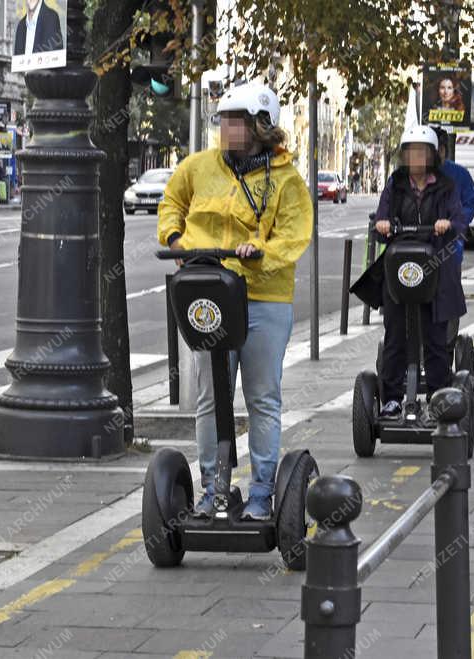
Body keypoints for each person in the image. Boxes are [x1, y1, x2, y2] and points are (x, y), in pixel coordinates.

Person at [158, 82, 313, 520]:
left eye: (236, 122)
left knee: (262, 396)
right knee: (212, 398)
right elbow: (172, 201)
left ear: (261, 126)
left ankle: (263, 494)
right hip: (210, 291)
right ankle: (213, 489)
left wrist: (261, 254)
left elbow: (295, 233)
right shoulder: (199, 167)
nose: (227, 130)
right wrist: (175, 240)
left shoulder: (285, 180)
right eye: (223, 121)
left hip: (264, 296)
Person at [372, 126, 467, 419]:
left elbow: (460, 222)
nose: (415, 157)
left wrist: (446, 224)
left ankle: (439, 399)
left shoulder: (446, 186)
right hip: (401, 272)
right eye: (410, 151)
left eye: (422, 151)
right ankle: (391, 399)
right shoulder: (396, 184)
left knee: (436, 339)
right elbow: (381, 217)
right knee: (396, 335)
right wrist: (383, 224)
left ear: (431, 155)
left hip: (436, 270)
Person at [432, 126, 474, 267]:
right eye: (434, 150)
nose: (438, 154)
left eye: (441, 150)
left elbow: (471, 202)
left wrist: (452, 222)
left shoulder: (460, 174)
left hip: (449, 243)